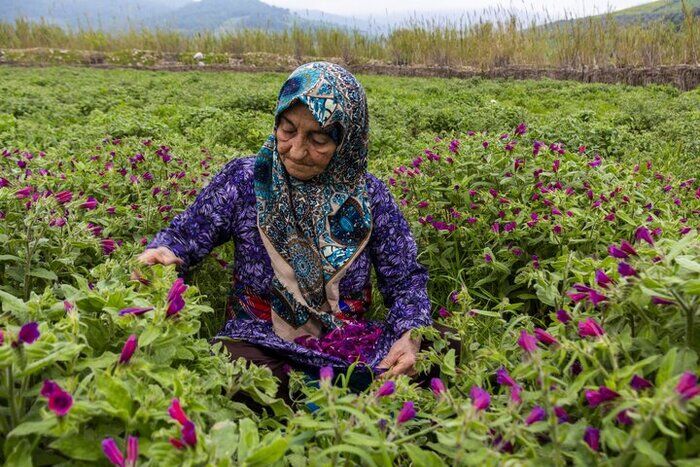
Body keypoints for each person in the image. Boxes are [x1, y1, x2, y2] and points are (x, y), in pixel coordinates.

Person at [138, 61, 459, 404]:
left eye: (318, 139)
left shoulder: (370, 197)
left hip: (347, 343)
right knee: (239, 367)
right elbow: (185, 236)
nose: (296, 150)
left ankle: (326, 397)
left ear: (347, 141)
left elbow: (405, 278)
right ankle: (352, 402)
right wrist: (164, 255)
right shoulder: (247, 179)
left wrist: (408, 334)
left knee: (443, 344)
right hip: (262, 341)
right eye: (287, 130)